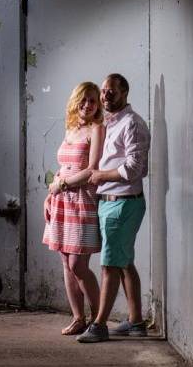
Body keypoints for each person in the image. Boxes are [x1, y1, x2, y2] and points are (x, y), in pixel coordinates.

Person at [76, 73, 150, 343]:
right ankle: (136, 322)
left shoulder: (132, 123)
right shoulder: (109, 122)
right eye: (104, 90)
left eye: (112, 92)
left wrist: (99, 175)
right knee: (125, 263)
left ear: (125, 93)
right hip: (112, 203)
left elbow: (135, 168)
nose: (105, 95)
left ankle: (99, 325)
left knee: (109, 265)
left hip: (123, 204)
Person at [43, 81, 105, 336]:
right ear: (75, 100)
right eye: (84, 99)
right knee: (66, 264)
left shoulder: (97, 129)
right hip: (61, 200)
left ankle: (98, 318)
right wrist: (49, 195)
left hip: (82, 199)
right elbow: (63, 167)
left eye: (93, 100)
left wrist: (63, 184)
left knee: (79, 264)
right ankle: (78, 318)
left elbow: (92, 170)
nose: (88, 104)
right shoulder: (70, 128)